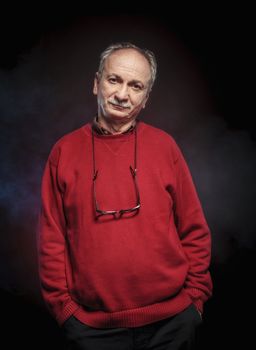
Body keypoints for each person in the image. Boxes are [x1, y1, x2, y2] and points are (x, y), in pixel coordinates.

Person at [38, 42, 212, 350]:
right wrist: (65, 312)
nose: (122, 94)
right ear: (96, 83)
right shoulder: (63, 151)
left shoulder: (165, 146)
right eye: (114, 80)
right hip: (92, 330)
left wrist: (195, 300)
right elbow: (52, 239)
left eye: (136, 86)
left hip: (171, 324)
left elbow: (194, 228)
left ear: (145, 98)